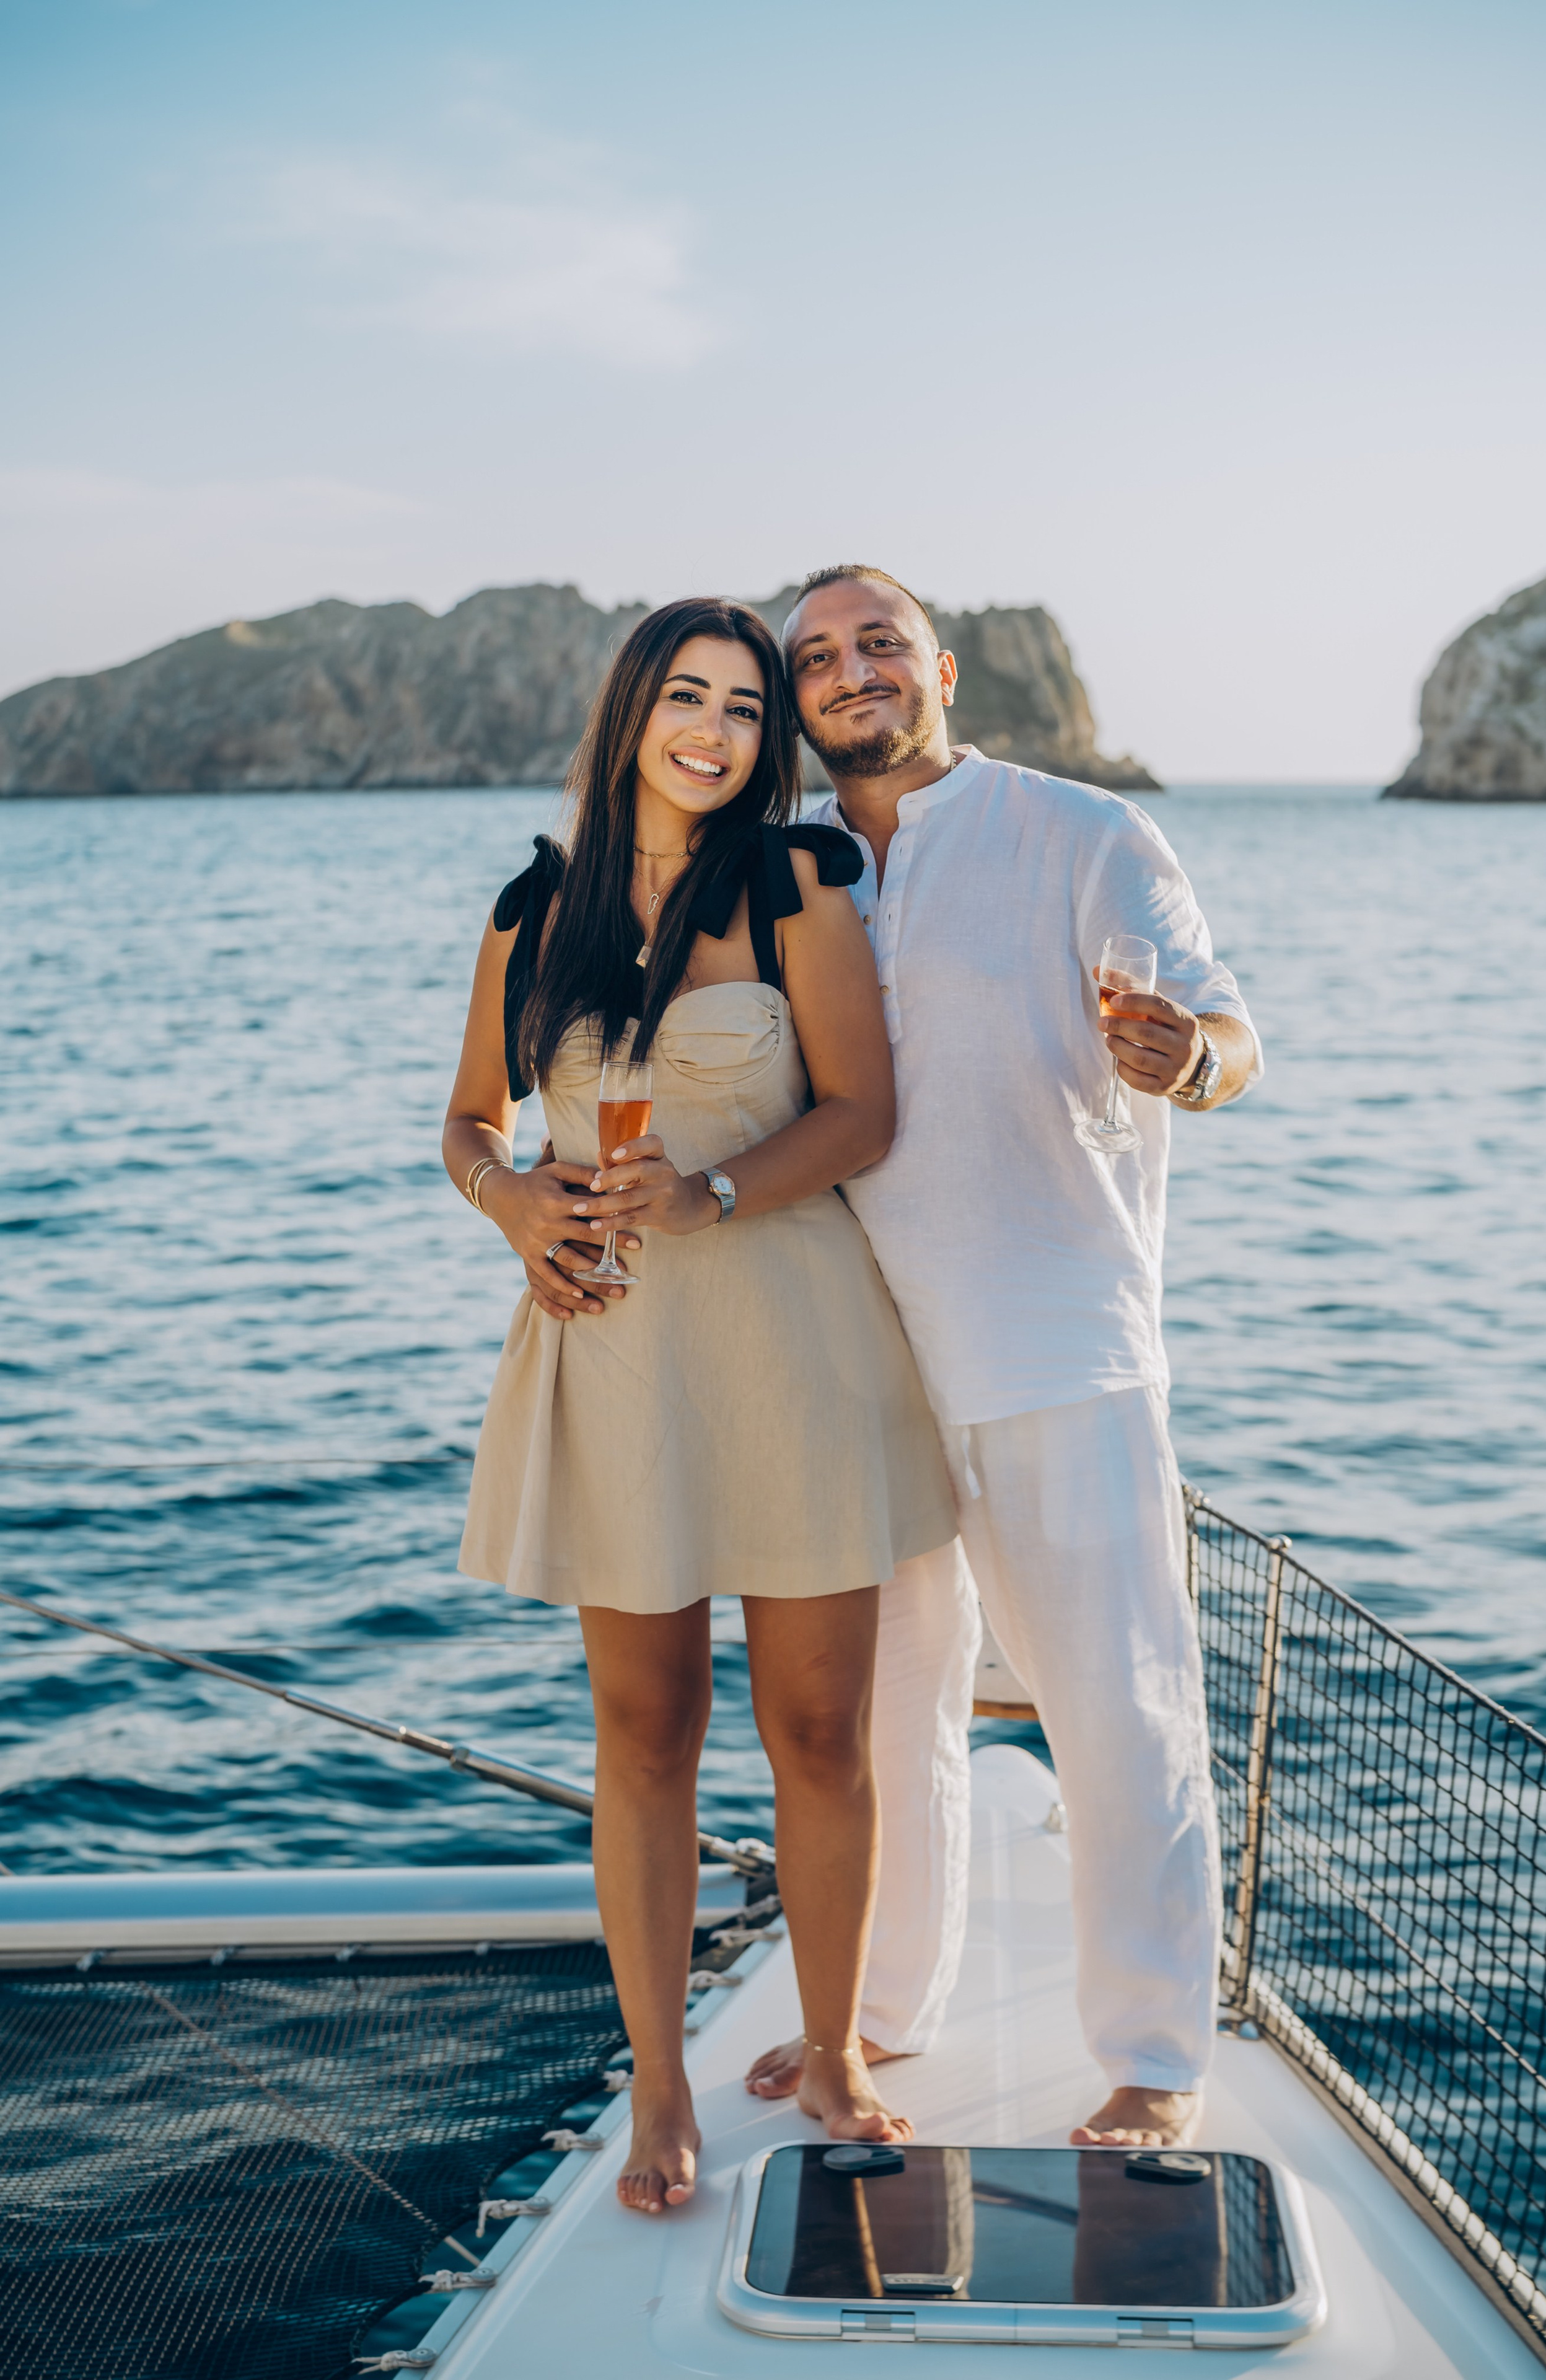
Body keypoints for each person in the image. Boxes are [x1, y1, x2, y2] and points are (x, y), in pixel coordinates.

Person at [538, 566, 1260, 2153]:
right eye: (813, 659)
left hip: (1052, 1341)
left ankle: (1150, 2056)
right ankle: (873, 2015)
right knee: (883, 1721)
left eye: (878, 643)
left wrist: (1182, 1055)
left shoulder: (1081, 833)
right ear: (793, 703)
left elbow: (1224, 1031)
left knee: (1117, 1707)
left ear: (941, 666)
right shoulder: (794, 873)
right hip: (854, 1362)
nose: (849, 672)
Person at [443, 597, 957, 2216]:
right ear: (632, 714)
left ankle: (836, 2050)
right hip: (613, 1357)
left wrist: (715, 1192)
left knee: (819, 1729)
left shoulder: (799, 881)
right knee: (645, 1734)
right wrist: (517, 1206)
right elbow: (469, 1120)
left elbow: (867, 1114)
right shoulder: (538, 908)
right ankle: (660, 2088)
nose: (718, 733)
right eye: (690, 698)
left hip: (794, 1347)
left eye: (747, 709)